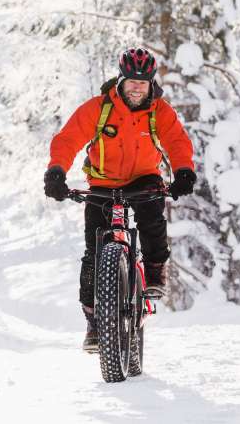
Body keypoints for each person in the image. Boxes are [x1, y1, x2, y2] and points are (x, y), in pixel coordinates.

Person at [44, 47, 196, 352]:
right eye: (132, 82)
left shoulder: (159, 111)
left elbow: (177, 141)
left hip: (144, 178)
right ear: (121, 81)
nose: (137, 88)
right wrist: (57, 172)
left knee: (152, 219)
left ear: (151, 83)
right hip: (102, 181)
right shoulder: (99, 108)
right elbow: (69, 138)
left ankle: (154, 272)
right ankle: (94, 324)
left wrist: (183, 172)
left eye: (143, 82)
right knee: (93, 254)